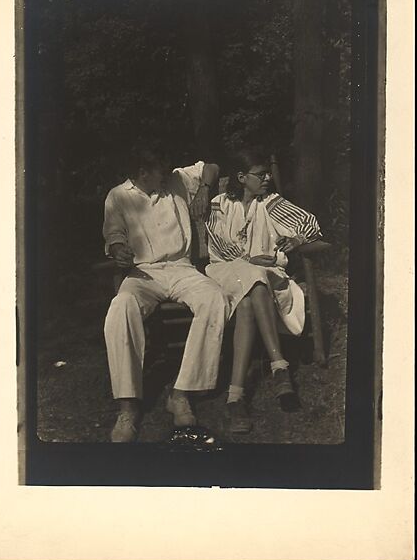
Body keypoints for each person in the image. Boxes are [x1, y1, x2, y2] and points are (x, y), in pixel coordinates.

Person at [103, 147, 228, 442]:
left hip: (182, 268)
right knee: (121, 307)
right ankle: (128, 407)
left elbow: (211, 166)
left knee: (215, 299)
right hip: (143, 273)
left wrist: (203, 192)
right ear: (143, 173)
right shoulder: (118, 196)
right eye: (159, 170)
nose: (167, 173)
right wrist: (120, 250)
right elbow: (114, 235)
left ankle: (181, 392)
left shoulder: (176, 180)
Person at [205, 147, 322, 434]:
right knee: (254, 275)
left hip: (263, 276)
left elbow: (310, 223)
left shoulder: (271, 203)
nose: (268, 178)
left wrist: (296, 240)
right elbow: (218, 243)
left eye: (268, 173)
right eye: (261, 174)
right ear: (242, 177)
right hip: (225, 271)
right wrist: (248, 258)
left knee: (250, 295)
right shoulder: (220, 204)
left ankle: (235, 396)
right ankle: (279, 366)